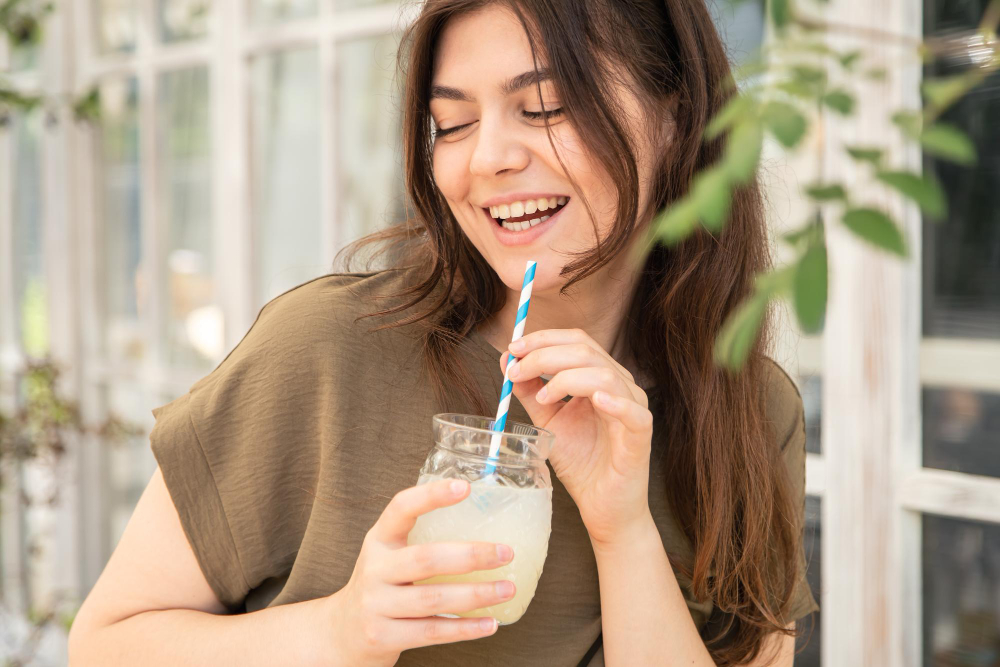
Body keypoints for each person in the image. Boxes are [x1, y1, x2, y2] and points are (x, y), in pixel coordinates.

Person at [68, 0, 818, 665]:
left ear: (678, 115)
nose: (485, 158)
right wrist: (340, 631)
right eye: (452, 124)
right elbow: (105, 643)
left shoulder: (751, 412)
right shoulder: (330, 348)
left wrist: (624, 527)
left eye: (546, 107)